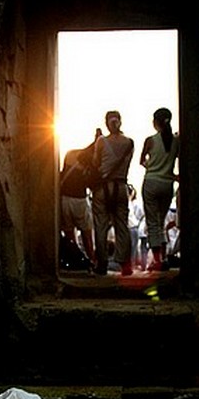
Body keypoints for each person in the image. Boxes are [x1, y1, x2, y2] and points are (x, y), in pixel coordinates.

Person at [92, 111, 134, 276]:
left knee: (101, 226)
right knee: (122, 226)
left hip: (103, 188)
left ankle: (102, 263)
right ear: (120, 122)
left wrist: (97, 140)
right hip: (121, 187)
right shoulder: (129, 143)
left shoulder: (102, 141)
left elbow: (96, 163)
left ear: (106, 123)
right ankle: (125, 265)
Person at [140, 107, 180, 271]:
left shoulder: (150, 140)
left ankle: (157, 260)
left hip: (151, 182)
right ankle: (163, 257)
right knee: (161, 222)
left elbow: (142, 161)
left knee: (152, 224)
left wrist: (152, 165)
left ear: (155, 122)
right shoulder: (176, 141)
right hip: (167, 184)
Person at [59, 131, 100, 268]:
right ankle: (92, 261)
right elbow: (90, 184)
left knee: (70, 234)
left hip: (64, 198)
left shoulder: (70, 154)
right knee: (86, 233)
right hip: (79, 200)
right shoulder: (91, 161)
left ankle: (74, 260)